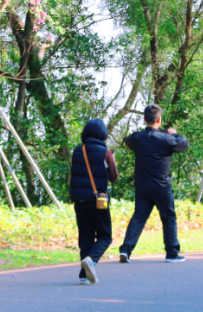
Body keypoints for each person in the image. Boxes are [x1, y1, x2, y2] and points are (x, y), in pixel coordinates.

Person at [118, 104, 190, 263]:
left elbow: (128, 141)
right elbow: (184, 145)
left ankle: (126, 250)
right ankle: (171, 253)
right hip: (162, 187)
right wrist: (175, 134)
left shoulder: (137, 138)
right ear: (159, 119)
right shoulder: (167, 139)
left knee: (138, 217)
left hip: (143, 186)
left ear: (144, 119)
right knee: (169, 218)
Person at [70, 118, 119, 284]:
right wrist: (113, 160)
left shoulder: (78, 150)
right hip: (99, 200)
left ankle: (84, 275)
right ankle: (92, 260)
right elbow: (113, 177)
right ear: (102, 134)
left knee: (86, 237)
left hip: (79, 199)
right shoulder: (105, 152)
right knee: (105, 235)